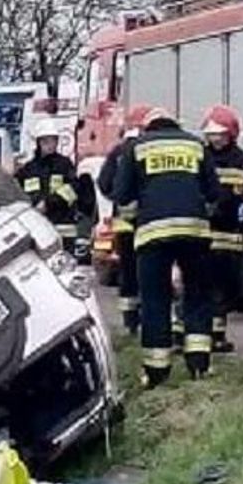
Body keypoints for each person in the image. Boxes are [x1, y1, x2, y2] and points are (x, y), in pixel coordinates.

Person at [114, 107, 219, 388]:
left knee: (155, 299)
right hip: (194, 231)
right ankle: (199, 364)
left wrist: (138, 213)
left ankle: (157, 371)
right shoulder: (195, 144)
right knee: (197, 295)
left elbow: (121, 195)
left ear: (147, 128)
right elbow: (213, 193)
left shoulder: (137, 147)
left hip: (153, 235)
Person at [201, 104, 243, 353]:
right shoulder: (200, 158)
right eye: (211, 135)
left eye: (220, 135)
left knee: (227, 289)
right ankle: (196, 334)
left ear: (231, 134)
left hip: (232, 238)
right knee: (203, 286)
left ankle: (217, 334)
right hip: (203, 235)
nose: (215, 139)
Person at [97, 104, 151, 335]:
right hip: (148, 222)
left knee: (127, 272)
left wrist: (118, 198)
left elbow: (104, 183)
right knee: (149, 270)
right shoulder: (149, 150)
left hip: (124, 224)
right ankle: (149, 317)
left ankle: (131, 322)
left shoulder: (118, 152)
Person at [15, 119, 81, 256]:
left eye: (54, 141)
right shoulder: (29, 169)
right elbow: (19, 194)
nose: (51, 145)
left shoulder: (64, 165)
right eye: (46, 141)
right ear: (39, 142)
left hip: (62, 225)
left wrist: (48, 203)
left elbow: (73, 189)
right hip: (38, 227)